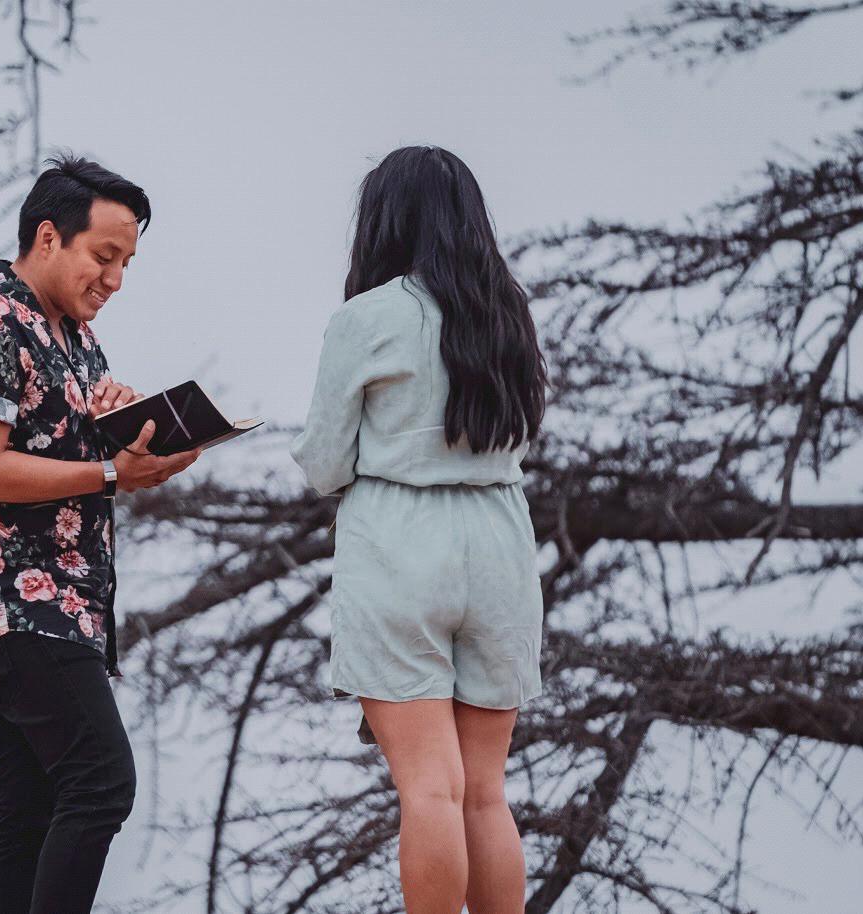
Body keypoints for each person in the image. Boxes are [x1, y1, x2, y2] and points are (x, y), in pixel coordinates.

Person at [0, 154, 200, 914]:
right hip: (10, 603)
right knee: (102, 780)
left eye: (126, 263)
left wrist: (129, 433)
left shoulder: (79, 342)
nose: (115, 279)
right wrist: (112, 476)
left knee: (28, 811)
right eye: (103, 257)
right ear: (48, 238)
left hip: (67, 610)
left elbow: (69, 460)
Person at [290, 145, 549, 914]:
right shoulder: (507, 310)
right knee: (485, 795)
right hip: (501, 543)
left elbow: (325, 462)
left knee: (430, 791)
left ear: (385, 221)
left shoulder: (367, 317)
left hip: (400, 543)